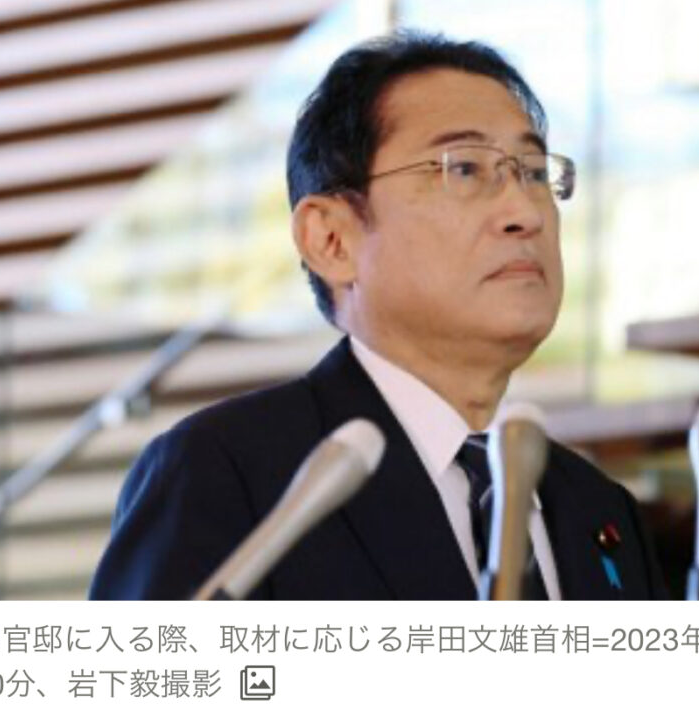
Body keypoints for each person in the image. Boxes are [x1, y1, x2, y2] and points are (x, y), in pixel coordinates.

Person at [90, 32, 668, 600]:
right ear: (332, 239)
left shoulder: (599, 511)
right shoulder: (230, 473)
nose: (525, 212)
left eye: (534, 172)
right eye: (465, 169)